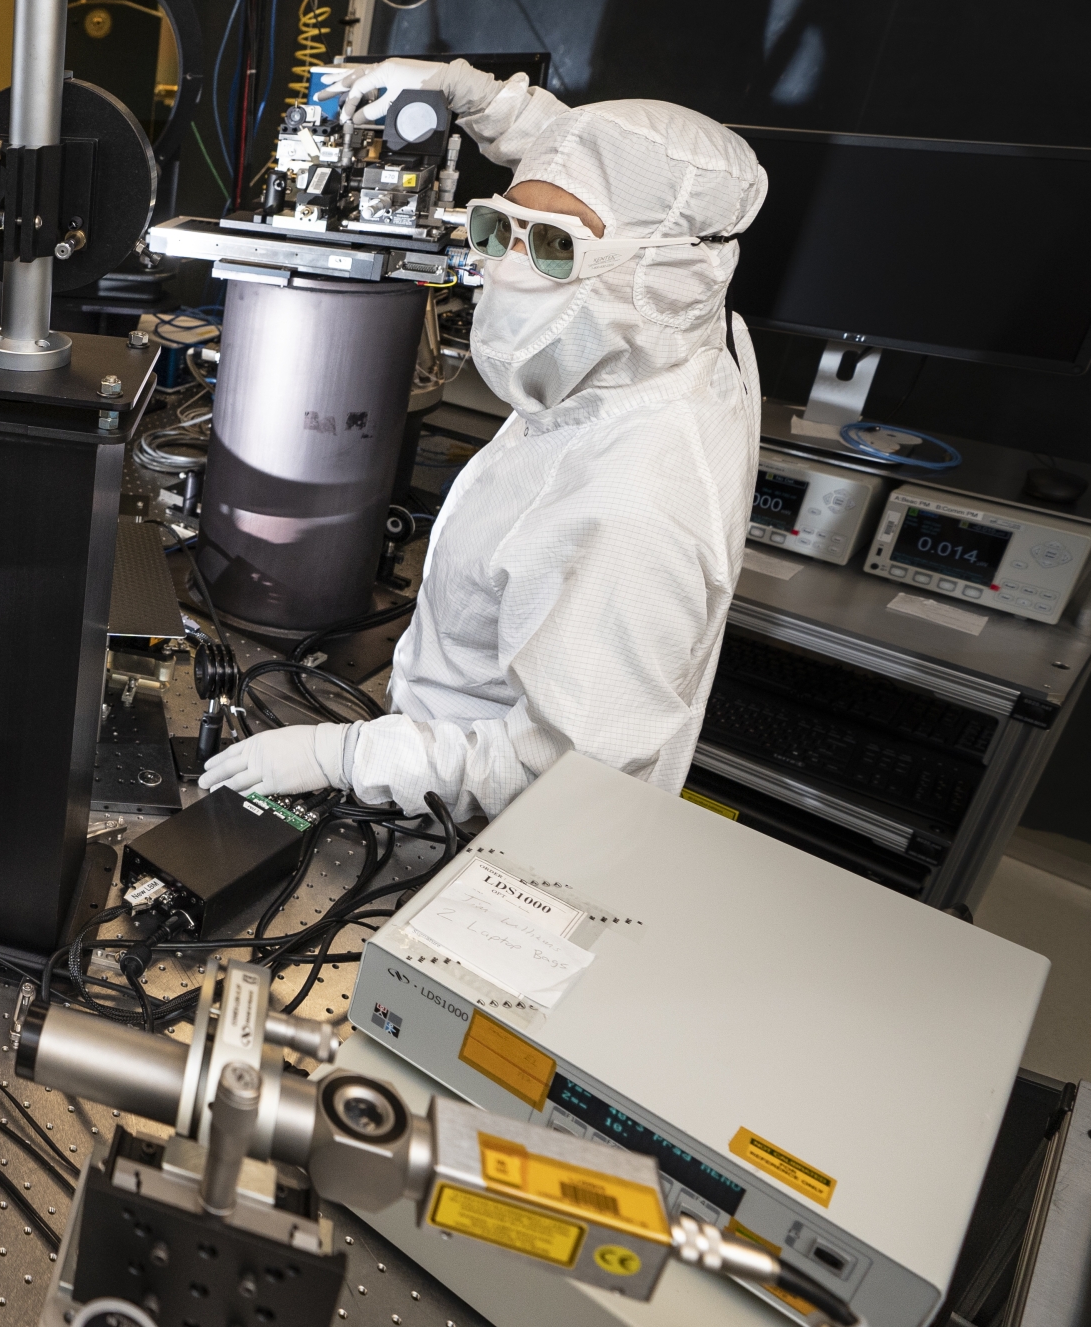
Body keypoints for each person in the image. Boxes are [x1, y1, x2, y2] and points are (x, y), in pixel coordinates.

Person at [199, 59, 766, 818]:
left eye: (553, 250)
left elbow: (565, 777)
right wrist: (479, 96)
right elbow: (590, 169)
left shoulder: (635, 501)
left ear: (671, 275)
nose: (506, 274)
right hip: (428, 749)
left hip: (486, 833)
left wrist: (339, 755)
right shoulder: (648, 351)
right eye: (499, 229)